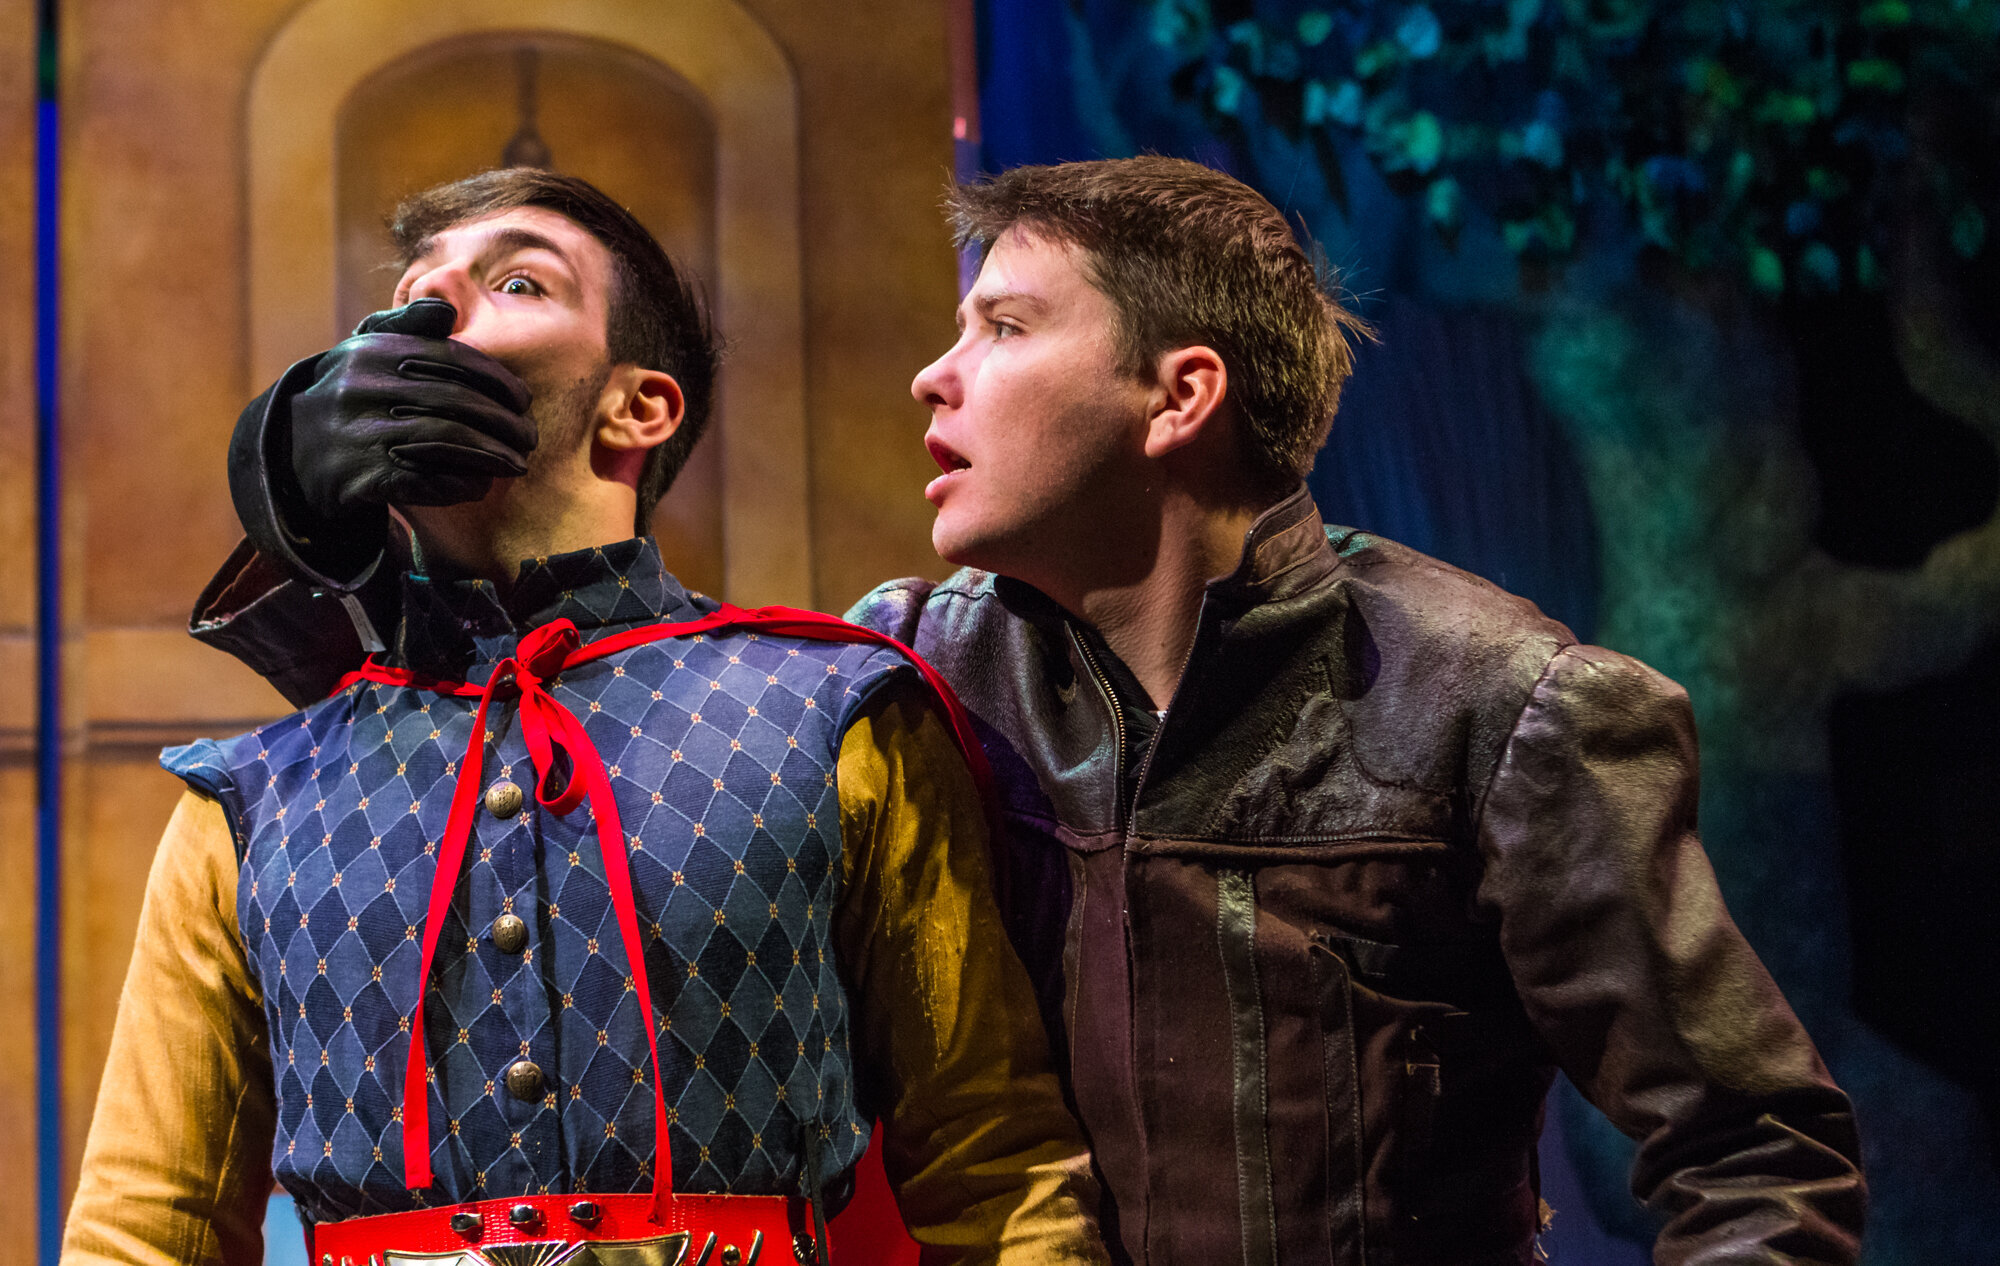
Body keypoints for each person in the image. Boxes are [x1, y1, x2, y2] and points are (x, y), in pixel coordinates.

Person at [175, 158, 1867, 1265]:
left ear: (1177, 394)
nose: (937, 372)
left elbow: (1756, 1152)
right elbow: (496, 778)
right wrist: (308, 506)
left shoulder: (1499, 700)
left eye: (1001, 325)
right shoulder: (908, 667)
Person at [60, 168, 1110, 1266]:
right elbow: (144, 1228)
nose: (425, 313)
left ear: (638, 407)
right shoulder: (247, 804)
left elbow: (997, 1173)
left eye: (517, 282)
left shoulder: (836, 723)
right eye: (409, 295)